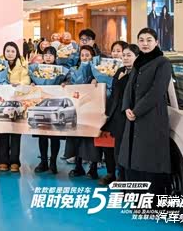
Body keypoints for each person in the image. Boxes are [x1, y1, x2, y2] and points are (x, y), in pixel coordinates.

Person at [119, 28, 172, 195]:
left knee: (149, 160)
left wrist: (137, 110)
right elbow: (129, 87)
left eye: (149, 40)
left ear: (156, 42)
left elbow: (157, 91)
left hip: (151, 118)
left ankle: (151, 201)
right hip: (132, 117)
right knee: (132, 159)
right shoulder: (138, 61)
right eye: (141, 40)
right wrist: (126, 107)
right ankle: (136, 198)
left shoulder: (162, 62)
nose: (145, 43)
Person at [100, 43, 139, 186]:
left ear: (137, 57)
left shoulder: (139, 72)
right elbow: (115, 92)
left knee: (123, 147)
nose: (125, 58)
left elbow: (130, 92)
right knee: (110, 146)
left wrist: (122, 79)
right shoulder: (120, 70)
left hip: (128, 115)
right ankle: (113, 173)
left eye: (129, 55)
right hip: (115, 114)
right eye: (124, 55)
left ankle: (123, 176)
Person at [65, 45, 101, 180]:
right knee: (77, 137)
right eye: (82, 55)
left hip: (92, 108)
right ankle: (78, 166)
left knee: (92, 138)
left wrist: (97, 80)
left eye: (87, 55)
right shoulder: (74, 70)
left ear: (93, 57)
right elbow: (69, 82)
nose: (85, 57)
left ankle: (93, 168)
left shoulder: (98, 70)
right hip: (77, 107)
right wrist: (65, 83)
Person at [0, 41, 30, 173]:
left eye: (12, 51)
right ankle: (3, 161)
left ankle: (15, 161)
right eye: (7, 51)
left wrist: (19, 84)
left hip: (17, 103)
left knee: (16, 133)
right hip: (2, 104)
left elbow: (27, 81)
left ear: (16, 53)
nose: (10, 53)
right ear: (4, 52)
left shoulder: (23, 65)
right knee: (3, 132)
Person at [34, 47, 62, 175]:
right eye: (46, 55)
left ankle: (53, 162)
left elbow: (68, 81)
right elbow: (31, 82)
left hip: (56, 107)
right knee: (42, 135)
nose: (48, 57)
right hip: (42, 107)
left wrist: (65, 83)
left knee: (55, 136)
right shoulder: (37, 70)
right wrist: (33, 84)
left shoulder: (61, 70)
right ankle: (43, 162)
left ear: (55, 57)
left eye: (51, 55)